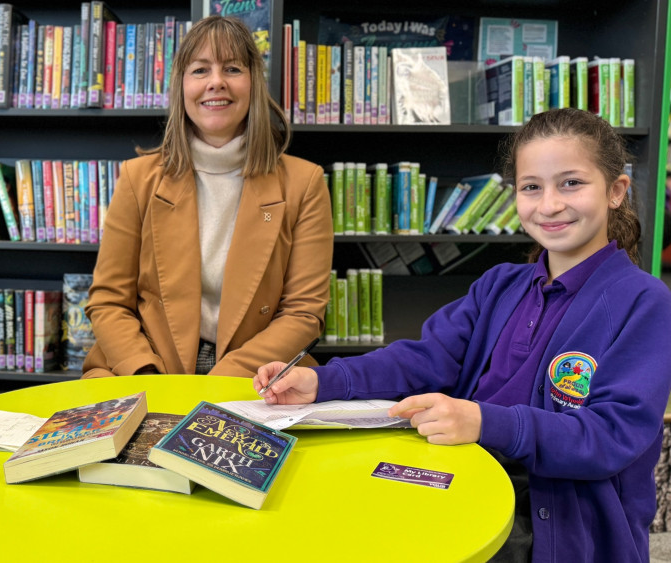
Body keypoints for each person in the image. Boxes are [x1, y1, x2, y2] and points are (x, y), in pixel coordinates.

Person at [254, 107, 671, 562]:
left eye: (571, 183)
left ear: (615, 191)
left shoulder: (645, 302)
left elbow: (609, 437)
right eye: (532, 187)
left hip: (554, 525)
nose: (549, 204)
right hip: (465, 477)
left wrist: (481, 421)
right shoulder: (499, 285)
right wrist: (322, 382)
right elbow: (423, 359)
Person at [83, 16, 332, 378]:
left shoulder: (304, 183)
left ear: (253, 84)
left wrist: (217, 386)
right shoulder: (138, 178)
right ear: (182, 86)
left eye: (232, 68)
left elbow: (303, 313)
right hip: (149, 365)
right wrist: (146, 374)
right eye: (200, 70)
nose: (216, 82)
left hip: (255, 372)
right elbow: (108, 301)